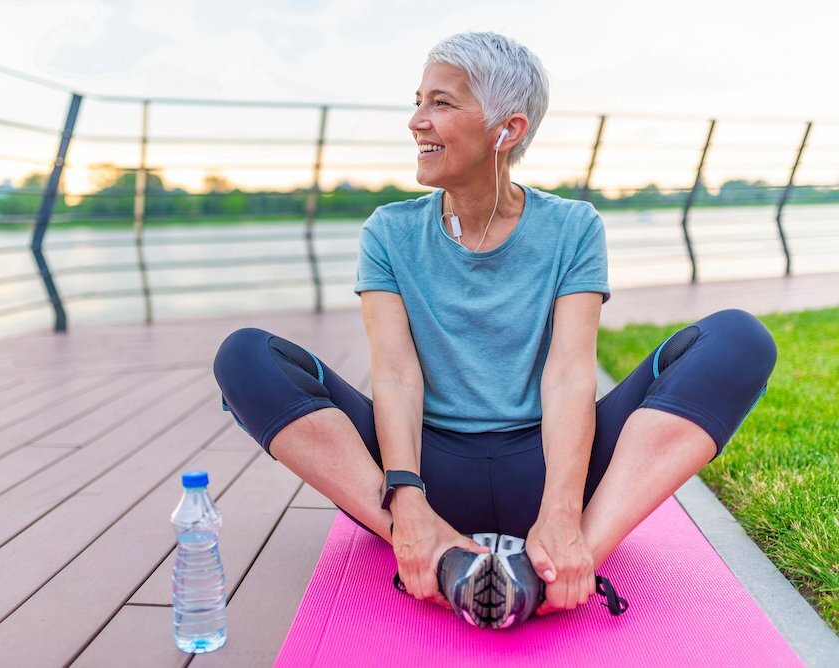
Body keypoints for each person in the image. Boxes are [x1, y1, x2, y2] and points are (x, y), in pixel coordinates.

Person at [213, 31, 776, 629]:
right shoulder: (388, 232)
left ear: (506, 131)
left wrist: (560, 509)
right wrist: (407, 500)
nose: (416, 121)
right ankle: (433, 548)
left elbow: (568, 375)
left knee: (739, 340)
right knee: (244, 357)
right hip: (425, 475)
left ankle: (569, 557)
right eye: (418, 101)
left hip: (552, 466)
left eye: (441, 103)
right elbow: (397, 376)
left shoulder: (573, 226)